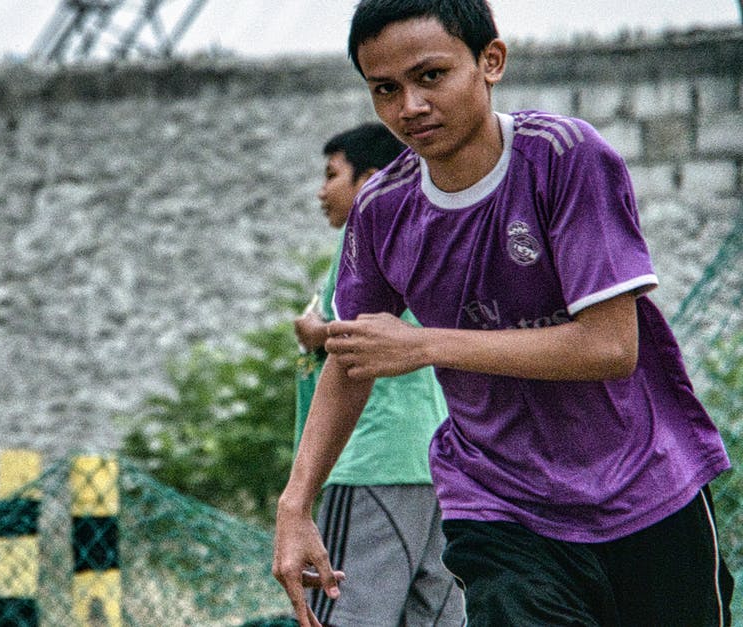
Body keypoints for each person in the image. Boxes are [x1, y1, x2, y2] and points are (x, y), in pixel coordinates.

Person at [271, 1, 735, 626]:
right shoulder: (382, 209)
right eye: (386, 89)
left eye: (430, 76)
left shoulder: (565, 158)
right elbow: (351, 360)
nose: (409, 106)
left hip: (645, 490)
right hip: (499, 506)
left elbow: (608, 347)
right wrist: (295, 506)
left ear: (490, 62)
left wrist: (428, 344)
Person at [292, 123, 463, 626]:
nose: (322, 191)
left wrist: (314, 333)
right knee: (434, 615)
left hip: (371, 460)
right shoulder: (429, 226)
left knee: (343, 615)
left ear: (370, 181)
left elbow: (360, 338)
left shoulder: (365, 233)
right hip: (435, 460)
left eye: (332, 176)